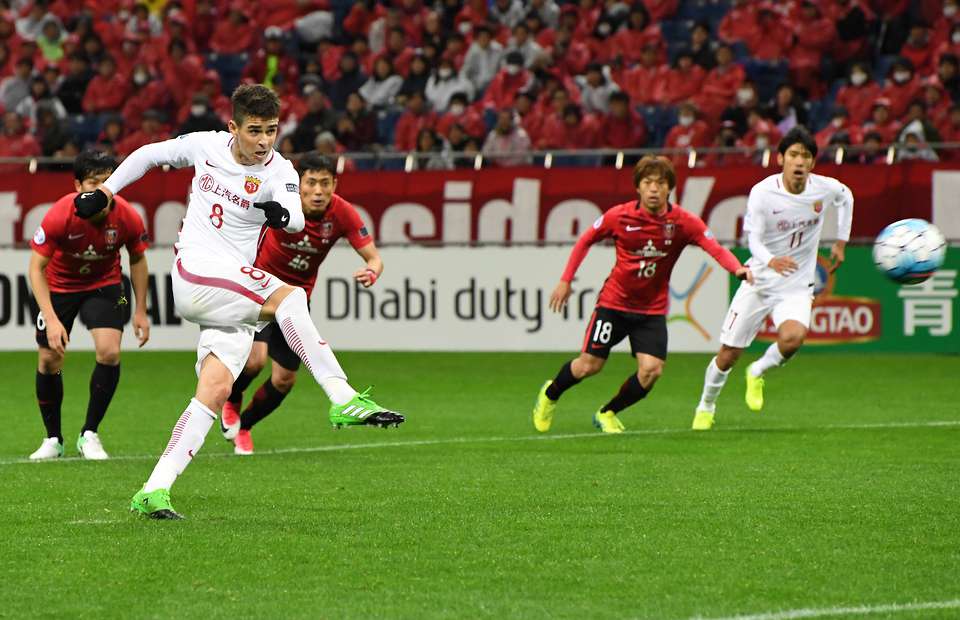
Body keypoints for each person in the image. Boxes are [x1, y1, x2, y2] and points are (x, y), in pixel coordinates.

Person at [76, 84, 404, 519]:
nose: (265, 141)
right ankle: (341, 395)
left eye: (271, 130)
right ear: (233, 127)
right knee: (289, 299)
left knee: (213, 392)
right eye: (255, 131)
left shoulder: (280, 171)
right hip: (195, 272)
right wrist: (108, 191)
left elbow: (296, 213)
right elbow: (149, 155)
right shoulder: (205, 146)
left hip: (230, 292)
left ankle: (153, 491)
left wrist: (284, 215)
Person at [532, 156, 753, 434]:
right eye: (648, 183)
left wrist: (738, 269)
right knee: (589, 366)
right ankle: (550, 394)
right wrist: (566, 280)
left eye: (660, 183)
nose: (653, 189)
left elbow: (715, 248)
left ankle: (607, 412)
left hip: (651, 310)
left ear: (669, 188)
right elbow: (586, 239)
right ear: (637, 187)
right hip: (613, 304)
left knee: (651, 371)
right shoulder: (619, 216)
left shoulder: (683, 222)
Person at [692, 126, 853, 430]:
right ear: (781, 158)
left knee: (793, 338)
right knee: (728, 354)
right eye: (793, 155)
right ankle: (706, 406)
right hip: (760, 280)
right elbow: (752, 239)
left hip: (796, 284)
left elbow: (846, 197)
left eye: (805, 156)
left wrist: (841, 242)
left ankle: (757, 371)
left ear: (812, 164)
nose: (799, 161)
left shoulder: (824, 188)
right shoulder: (763, 193)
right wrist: (770, 260)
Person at [221, 153, 383, 455]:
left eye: (325, 183)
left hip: (295, 300)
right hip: (259, 290)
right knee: (254, 360)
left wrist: (372, 271)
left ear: (335, 185)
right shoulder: (282, 201)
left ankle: (245, 425)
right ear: (299, 184)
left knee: (284, 380)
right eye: (311, 183)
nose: (318, 191)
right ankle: (232, 398)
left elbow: (374, 257)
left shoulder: (343, 213)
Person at [27, 151, 151, 461]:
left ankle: (90, 434)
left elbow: (137, 259)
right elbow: (35, 269)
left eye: (107, 182)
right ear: (78, 185)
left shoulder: (127, 215)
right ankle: (53, 439)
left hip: (107, 286)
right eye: (93, 183)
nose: (100, 190)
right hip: (58, 288)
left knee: (109, 352)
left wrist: (140, 310)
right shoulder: (59, 214)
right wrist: (52, 319)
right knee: (49, 361)